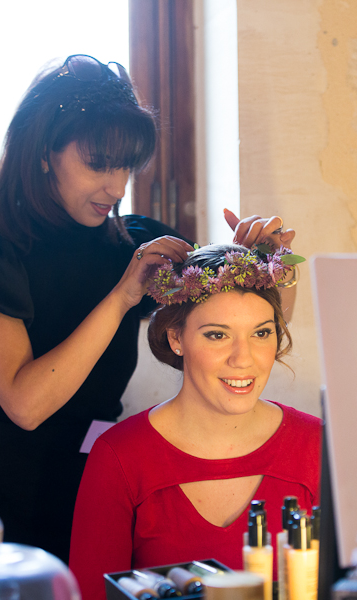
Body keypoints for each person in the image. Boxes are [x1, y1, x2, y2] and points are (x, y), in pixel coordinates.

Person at [0, 54, 295, 563]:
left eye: (126, 166)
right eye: (98, 164)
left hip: (108, 490)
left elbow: (253, 331)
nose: (117, 186)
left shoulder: (135, 242)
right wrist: (122, 296)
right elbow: (27, 406)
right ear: (43, 153)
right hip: (7, 509)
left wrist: (267, 264)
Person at [69, 244, 321, 600]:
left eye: (261, 333)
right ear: (176, 338)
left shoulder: (317, 443)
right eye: (217, 335)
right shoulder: (119, 456)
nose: (243, 359)